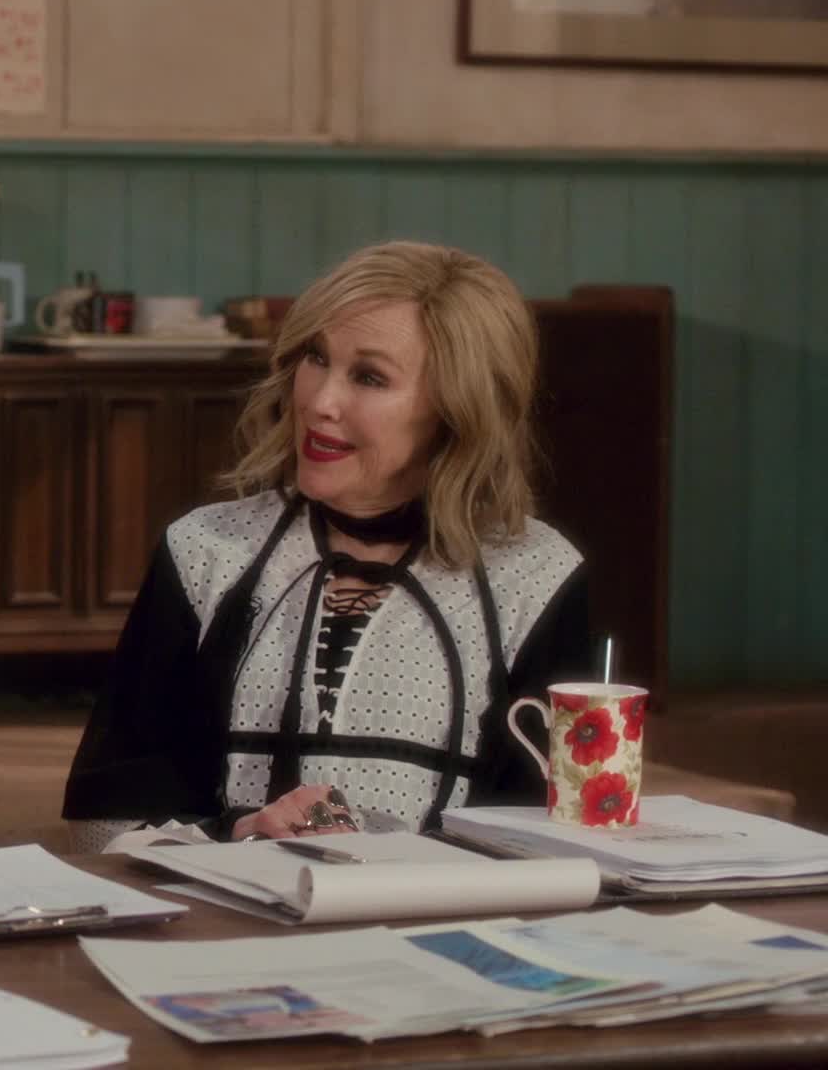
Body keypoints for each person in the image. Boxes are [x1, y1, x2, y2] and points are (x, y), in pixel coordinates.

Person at [63, 241, 594, 850]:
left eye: (369, 377)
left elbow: (563, 837)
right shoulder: (206, 551)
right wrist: (238, 833)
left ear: (457, 408)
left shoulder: (537, 575)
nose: (318, 402)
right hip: (227, 905)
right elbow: (100, 826)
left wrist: (396, 863)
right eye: (316, 358)